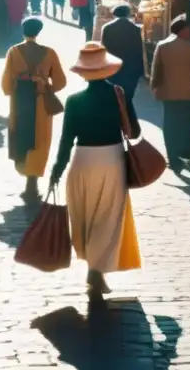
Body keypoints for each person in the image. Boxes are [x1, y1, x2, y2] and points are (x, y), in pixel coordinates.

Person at [50, 42, 142, 298]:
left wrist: (57, 168)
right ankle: (97, 269)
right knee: (108, 217)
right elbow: (134, 132)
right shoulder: (119, 94)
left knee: (85, 215)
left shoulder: (74, 100)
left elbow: (66, 139)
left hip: (82, 161)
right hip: (112, 159)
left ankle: (93, 267)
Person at [2, 17, 67, 201]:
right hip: (40, 103)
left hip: (20, 103)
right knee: (40, 140)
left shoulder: (14, 52)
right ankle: (33, 181)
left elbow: (6, 85)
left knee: (20, 135)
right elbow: (61, 82)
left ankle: (27, 178)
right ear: (39, 32)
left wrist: (15, 87)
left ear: (23, 31)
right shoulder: (49, 53)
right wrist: (45, 85)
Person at [150, 15, 190, 172]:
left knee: (170, 126)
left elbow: (155, 71)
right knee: (186, 125)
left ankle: (172, 157)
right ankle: (185, 153)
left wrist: (154, 88)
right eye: (188, 30)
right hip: (189, 95)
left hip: (168, 94)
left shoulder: (162, 46)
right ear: (183, 30)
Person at [99, 3, 145, 104]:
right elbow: (140, 50)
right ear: (128, 14)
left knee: (114, 95)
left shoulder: (107, 28)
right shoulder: (136, 29)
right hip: (131, 67)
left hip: (113, 66)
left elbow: (103, 48)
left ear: (114, 14)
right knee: (128, 96)